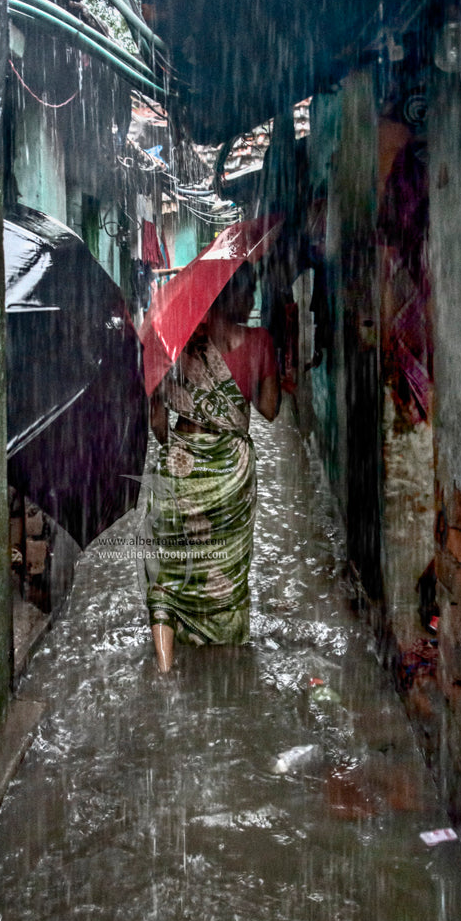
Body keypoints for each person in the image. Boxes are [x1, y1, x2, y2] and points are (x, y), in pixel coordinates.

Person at [146, 263, 280, 672]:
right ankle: (225, 666)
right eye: (251, 289)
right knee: (225, 570)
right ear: (234, 296)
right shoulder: (258, 342)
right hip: (231, 477)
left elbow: (156, 424)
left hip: (180, 465)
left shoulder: (176, 344)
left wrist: (183, 454)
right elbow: (271, 411)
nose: (254, 298)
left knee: (168, 569)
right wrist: (273, 370)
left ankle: (165, 670)